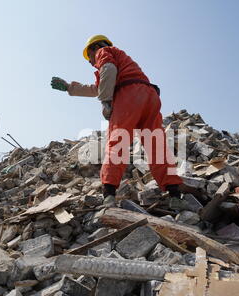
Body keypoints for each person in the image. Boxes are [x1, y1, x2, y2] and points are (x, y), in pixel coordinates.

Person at [51, 35, 188, 210]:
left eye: (89, 58)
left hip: (129, 95)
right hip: (149, 96)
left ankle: (108, 194)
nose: (91, 62)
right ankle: (174, 194)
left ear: (94, 48)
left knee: (118, 142)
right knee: (156, 144)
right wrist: (70, 87)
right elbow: (98, 87)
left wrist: (106, 101)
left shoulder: (104, 52)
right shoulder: (122, 61)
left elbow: (107, 70)